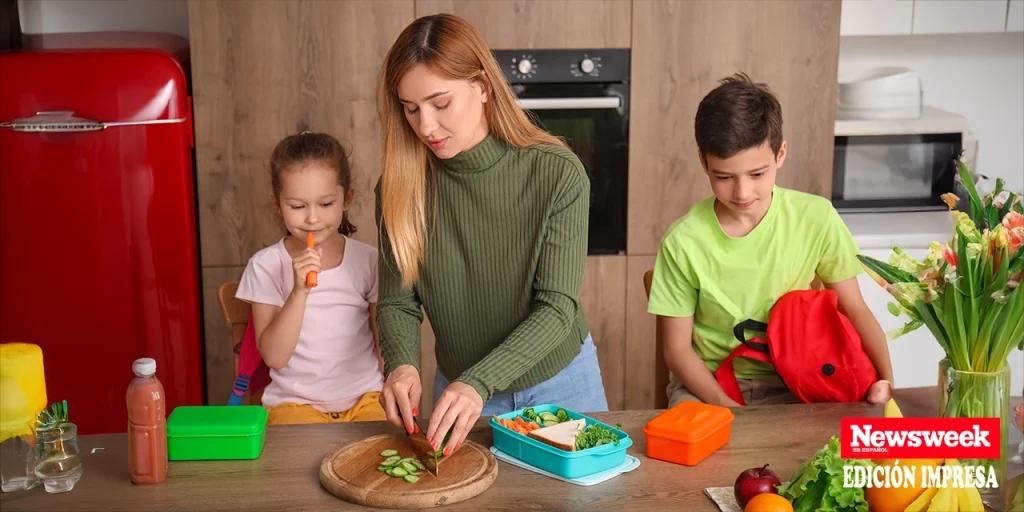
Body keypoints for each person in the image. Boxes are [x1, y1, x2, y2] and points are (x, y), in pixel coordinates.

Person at [375, 13, 608, 455]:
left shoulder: (556, 172)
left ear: (482, 86)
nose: (425, 126)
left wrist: (478, 381)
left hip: (561, 386)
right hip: (461, 397)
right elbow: (397, 301)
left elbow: (557, 307)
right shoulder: (398, 188)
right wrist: (401, 364)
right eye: (410, 108)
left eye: (440, 103)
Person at [647, 73, 894, 407]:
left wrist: (884, 381)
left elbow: (855, 309)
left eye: (757, 174)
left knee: (847, 449)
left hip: (800, 378)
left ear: (780, 154)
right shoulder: (683, 241)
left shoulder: (816, 218)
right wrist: (730, 409)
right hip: (708, 386)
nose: (742, 192)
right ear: (703, 162)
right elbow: (677, 352)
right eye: (723, 177)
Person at [235, 131, 385, 424]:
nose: (313, 218)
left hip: (366, 400)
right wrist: (299, 292)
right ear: (278, 204)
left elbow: (386, 344)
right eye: (298, 206)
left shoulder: (368, 260)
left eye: (326, 204)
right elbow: (275, 358)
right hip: (293, 406)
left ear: (346, 199)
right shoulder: (265, 266)